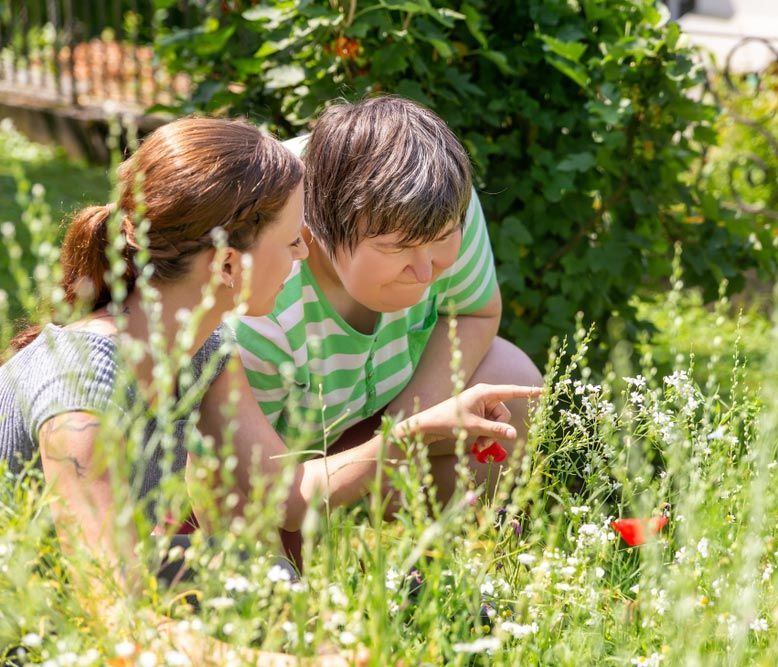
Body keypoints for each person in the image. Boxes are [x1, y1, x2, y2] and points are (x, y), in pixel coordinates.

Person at [0, 117, 540, 665]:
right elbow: (107, 617)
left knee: (288, 600)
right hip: (31, 620)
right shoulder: (83, 391)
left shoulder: (201, 348)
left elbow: (283, 490)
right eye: (292, 242)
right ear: (229, 264)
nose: (305, 256)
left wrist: (416, 431)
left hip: (101, 597)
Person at [236, 96, 543, 509]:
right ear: (318, 229)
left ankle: (434, 561)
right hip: (273, 462)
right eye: (398, 248)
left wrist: (397, 438)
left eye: (441, 239)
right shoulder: (260, 290)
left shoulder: (438, 198)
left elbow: (474, 310)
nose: (425, 271)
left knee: (510, 379)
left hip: (380, 413)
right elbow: (251, 481)